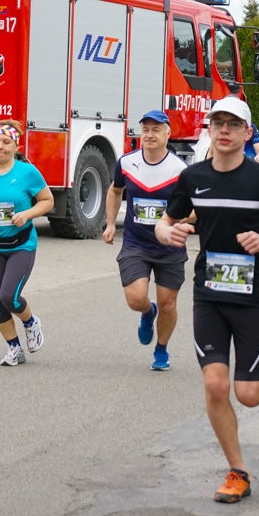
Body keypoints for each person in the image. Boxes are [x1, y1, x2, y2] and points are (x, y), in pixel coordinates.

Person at [155, 97, 259, 504]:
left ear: (247, 132)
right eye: (217, 122)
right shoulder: (193, 177)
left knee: (249, 395)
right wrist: (167, 234)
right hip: (209, 293)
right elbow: (166, 223)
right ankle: (237, 471)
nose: (223, 130)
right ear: (209, 128)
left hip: (252, 295)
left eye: (232, 124)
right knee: (216, 385)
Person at [103, 110, 189, 370]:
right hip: (135, 244)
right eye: (145, 129)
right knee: (135, 298)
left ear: (167, 134)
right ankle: (146, 312)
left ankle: (161, 349)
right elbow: (115, 191)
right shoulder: (127, 163)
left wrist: (182, 221)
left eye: (156, 129)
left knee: (168, 303)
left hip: (170, 247)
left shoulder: (180, 169)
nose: (149, 134)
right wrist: (109, 224)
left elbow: (194, 207)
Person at [0, 120, 54, 366]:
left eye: (6, 142)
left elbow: (47, 201)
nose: (0, 147)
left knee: (9, 297)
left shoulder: (27, 172)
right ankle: (14, 349)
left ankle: (31, 322)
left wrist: (27, 214)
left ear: (16, 146)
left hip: (21, 245)